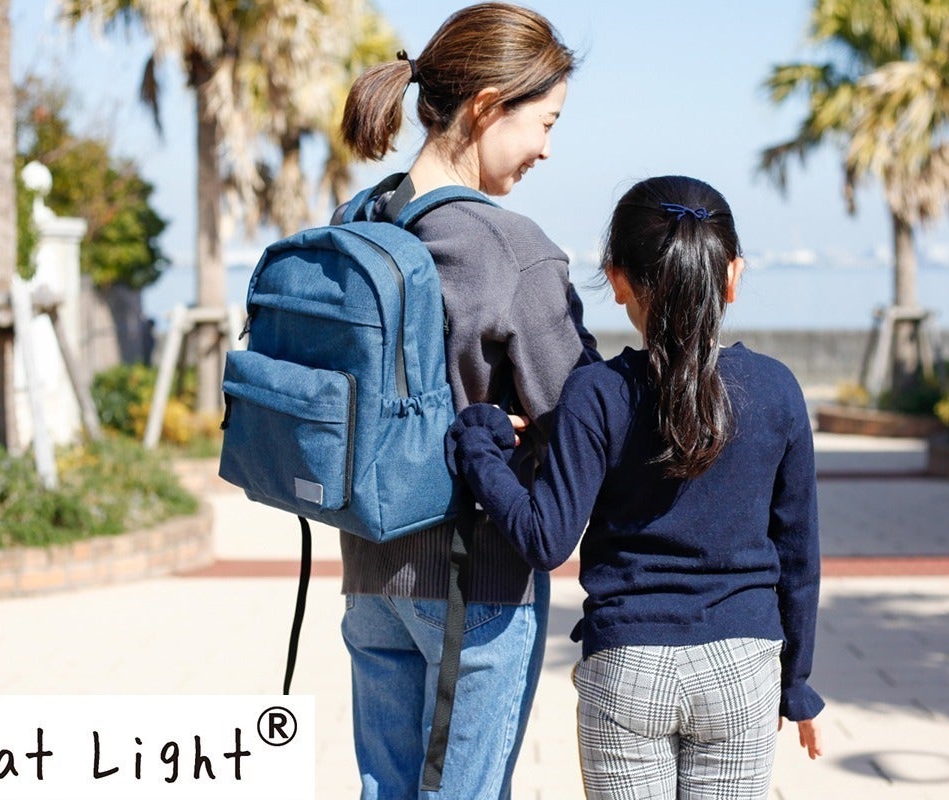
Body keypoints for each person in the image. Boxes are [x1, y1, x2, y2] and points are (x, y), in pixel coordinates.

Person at [446, 175, 824, 799]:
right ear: (732, 275)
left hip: (628, 665)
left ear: (617, 280)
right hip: (743, 668)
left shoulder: (597, 394)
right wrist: (797, 682)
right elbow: (798, 557)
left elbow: (544, 539)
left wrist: (478, 448)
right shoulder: (776, 388)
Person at [336, 3, 598, 798]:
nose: (548, 149)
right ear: (487, 106)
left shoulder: (359, 220)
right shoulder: (509, 249)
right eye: (545, 123)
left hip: (369, 572)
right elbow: (580, 413)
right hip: (473, 581)